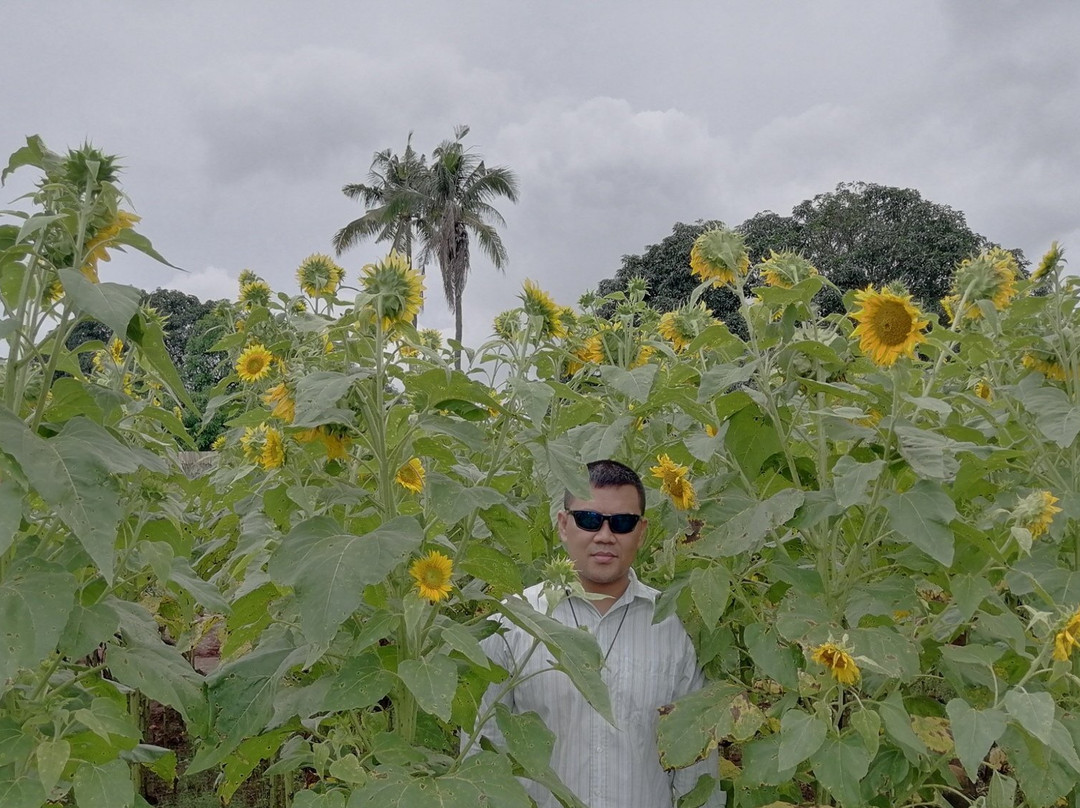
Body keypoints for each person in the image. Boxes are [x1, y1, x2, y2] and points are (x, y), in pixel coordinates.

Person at [467, 459, 725, 807]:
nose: (605, 536)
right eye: (589, 520)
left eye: (622, 523)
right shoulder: (514, 620)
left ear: (641, 531)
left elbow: (696, 757)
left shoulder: (672, 626)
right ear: (563, 524)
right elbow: (481, 748)